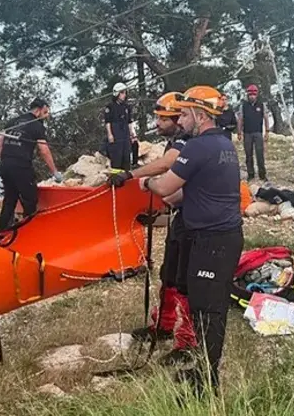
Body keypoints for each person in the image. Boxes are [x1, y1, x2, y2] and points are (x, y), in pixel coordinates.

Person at [138, 85, 243, 395]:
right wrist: (171, 200)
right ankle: (203, 369)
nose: (179, 120)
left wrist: (146, 182)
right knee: (204, 305)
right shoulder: (223, 144)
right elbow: (190, 189)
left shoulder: (196, 147)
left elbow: (164, 184)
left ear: (199, 115)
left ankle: (207, 381)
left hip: (212, 239)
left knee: (208, 310)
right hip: (219, 237)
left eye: (183, 114)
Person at [109, 92, 197, 364]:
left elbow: (169, 163)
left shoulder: (186, 140)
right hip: (179, 214)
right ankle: (164, 325)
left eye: (162, 118)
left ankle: (187, 340)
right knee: (168, 273)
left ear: (177, 118)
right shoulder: (176, 138)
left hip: (195, 219)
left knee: (184, 279)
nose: (157, 122)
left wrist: (132, 174)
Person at [0, 98, 61, 233]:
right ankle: (29, 233)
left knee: (9, 200)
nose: (47, 115)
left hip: (6, 165)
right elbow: (44, 150)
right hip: (21, 166)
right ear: (38, 110)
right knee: (30, 200)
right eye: (46, 111)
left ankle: (1, 235)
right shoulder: (36, 125)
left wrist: (4, 161)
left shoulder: (13, 121)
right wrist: (54, 171)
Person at [236, 84, 269, 181]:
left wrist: (267, 131)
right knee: (248, 154)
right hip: (247, 133)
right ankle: (251, 174)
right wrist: (239, 132)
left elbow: (266, 118)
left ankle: (262, 174)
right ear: (247, 95)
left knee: (260, 154)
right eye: (250, 94)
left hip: (258, 133)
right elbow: (240, 119)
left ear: (257, 95)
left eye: (254, 94)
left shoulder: (262, 105)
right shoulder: (243, 106)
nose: (252, 96)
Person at [104, 82, 138, 171]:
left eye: (125, 92)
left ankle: (126, 176)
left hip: (125, 134)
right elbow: (108, 122)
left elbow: (129, 122)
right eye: (122, 92)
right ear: (117, 93)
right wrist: (110, 135)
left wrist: (133, 134)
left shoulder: (126, 107)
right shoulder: (110, 106)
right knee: (116, 158)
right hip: (116, 133)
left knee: (126, 157)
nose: (124, 95)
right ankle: (116, 179)